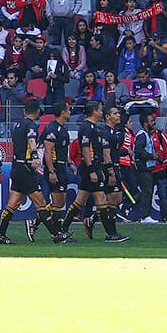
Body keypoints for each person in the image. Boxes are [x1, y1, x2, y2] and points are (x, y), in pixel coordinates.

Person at [0, 99, 69, 245]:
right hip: (26, 168)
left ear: (24, 111)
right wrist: (35, 157)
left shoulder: (17, 125)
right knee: (41, 203)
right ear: (37, 112)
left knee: (13, 203)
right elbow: (31, 141)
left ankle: (0, 235)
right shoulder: (31, 125)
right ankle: (55, 235)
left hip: (16, 166)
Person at [57, 100, 128, 242]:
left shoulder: (93, 127)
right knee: (101, 200)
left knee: (80, 200)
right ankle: (111, 234)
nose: (102, 112)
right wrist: (92, 170)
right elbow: (85, 150)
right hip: (90, 167)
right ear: (95, 112)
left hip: (92, 166)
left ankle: (62, 230)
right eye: (100, 110)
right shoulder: (86, 127)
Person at [39, 101, 72, 217]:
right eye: (68, 109)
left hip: (62, 165)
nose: (70, 112)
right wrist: (51, 171)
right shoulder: (52, 128)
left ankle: (36, 222)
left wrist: (69, 162)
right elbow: (48, 152)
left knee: (61, 200)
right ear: (63, 112)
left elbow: (62, 149)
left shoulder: (62, 128)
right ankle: (57, 230)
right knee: (57, 200)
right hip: (54, 166)